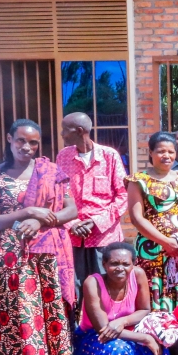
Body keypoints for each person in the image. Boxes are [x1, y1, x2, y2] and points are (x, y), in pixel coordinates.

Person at [0, 119, 80, 355]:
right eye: (21, 141)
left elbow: (71, 210)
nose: (27, 148)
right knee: (15, 318)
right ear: (9, 139)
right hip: (14, 257)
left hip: (51, 255)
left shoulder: (51, 171)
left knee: (54, 314)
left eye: (33, 142)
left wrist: (39, 219)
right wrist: (26, 212)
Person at [72, 242, 178, 355]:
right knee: (116, 348)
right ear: (104, 264)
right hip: (94, 337)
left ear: (134, 264)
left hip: (127, 330)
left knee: (157, 340)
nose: (120, 268)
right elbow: (103, 330)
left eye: (125, 264)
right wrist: (144, 338)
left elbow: (144, 309)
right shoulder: (93, 283)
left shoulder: (138, 275)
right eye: (114, 264)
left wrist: (122, 321)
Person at [127, 132, 178, 312]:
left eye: (171, 152)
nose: (166, 156)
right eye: (161, 151)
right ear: (151, 153)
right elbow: (137, 218)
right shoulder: (139, 180)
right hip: (151, 249)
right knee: (154, 288)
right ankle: (154, 332)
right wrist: (165, 242)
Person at [57, 111, 128, 296]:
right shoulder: (63, 157)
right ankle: (75, 325)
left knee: (104, 287)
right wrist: (72, 224)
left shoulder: (109, 156)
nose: (61, 134)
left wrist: (95, 222)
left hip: (104, 237)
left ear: (80, 131)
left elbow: (122, 196)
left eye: (65, 130)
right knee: (73, 288)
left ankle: (103, 325)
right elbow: (57, 196)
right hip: (73, 237)